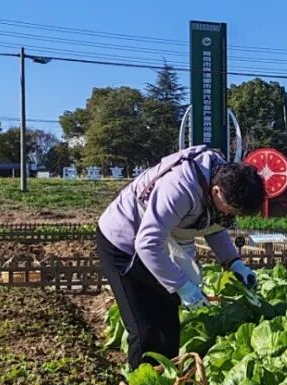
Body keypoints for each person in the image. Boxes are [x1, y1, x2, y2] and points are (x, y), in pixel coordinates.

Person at [96, 145, 265, 367]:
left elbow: (215, 227)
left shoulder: (220, 182)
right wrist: (182, 286)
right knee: (144, 328)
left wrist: (234, 263)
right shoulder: (180, 187)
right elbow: (147, 243)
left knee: (168, 327)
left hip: (158, 246)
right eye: (231, 210)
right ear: (216, 192)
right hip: (123, 243)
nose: (230, 216)